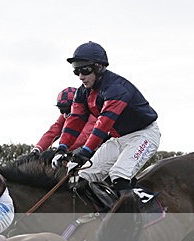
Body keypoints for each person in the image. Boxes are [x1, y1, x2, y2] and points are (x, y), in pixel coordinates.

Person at [52, 41, 161, 195]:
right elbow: (74, 121)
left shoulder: (116, 89)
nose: (81, 77)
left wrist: (84, 153)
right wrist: (61, 148)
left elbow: (103, 124)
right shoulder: (82, 92)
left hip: (143, 135)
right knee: (84, 177)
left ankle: (136, 218)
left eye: (85, 70)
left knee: (119, 175)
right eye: (77, 71)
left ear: (99, 67)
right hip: (118, 139)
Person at [30, 87, 95, 155]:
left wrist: (61, 150)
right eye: (62, 110)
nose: (65, 114)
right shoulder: (66, 115)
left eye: (67, 110)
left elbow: (84, 136)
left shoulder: (92, 114)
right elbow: (53, 131)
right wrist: (37, 149)